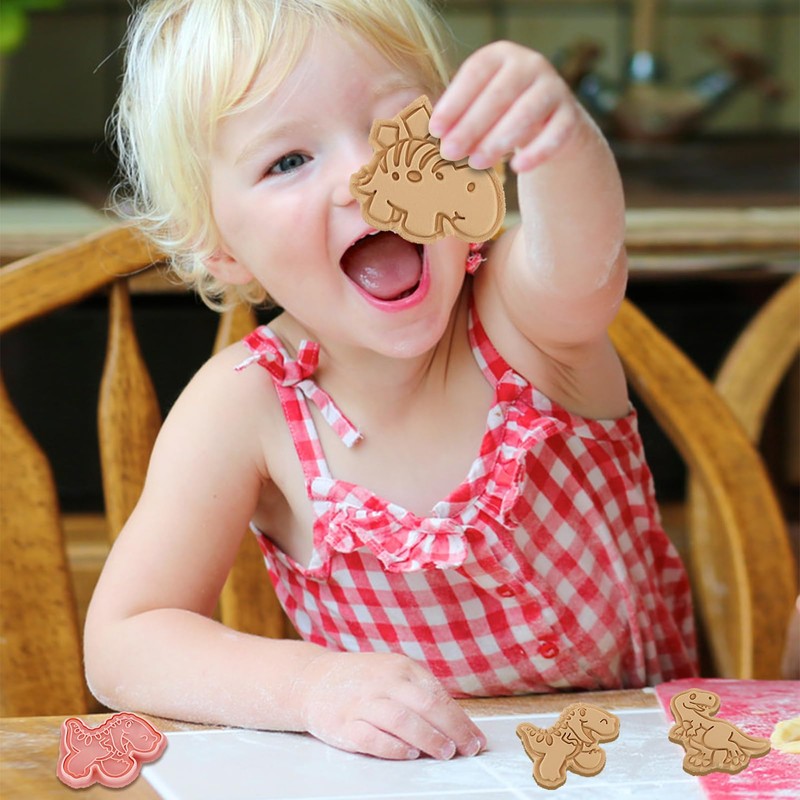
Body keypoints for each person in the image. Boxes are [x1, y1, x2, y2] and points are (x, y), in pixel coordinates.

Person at [85, 0, 697, 763]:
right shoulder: (244, 408)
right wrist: (312, 687)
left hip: (644, 765)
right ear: (225, 251)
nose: (362, 178)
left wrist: (557, 138)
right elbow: (126, 638)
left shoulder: (523, 315)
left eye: (397, 127)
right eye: (288, 161)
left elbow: (586, 263)